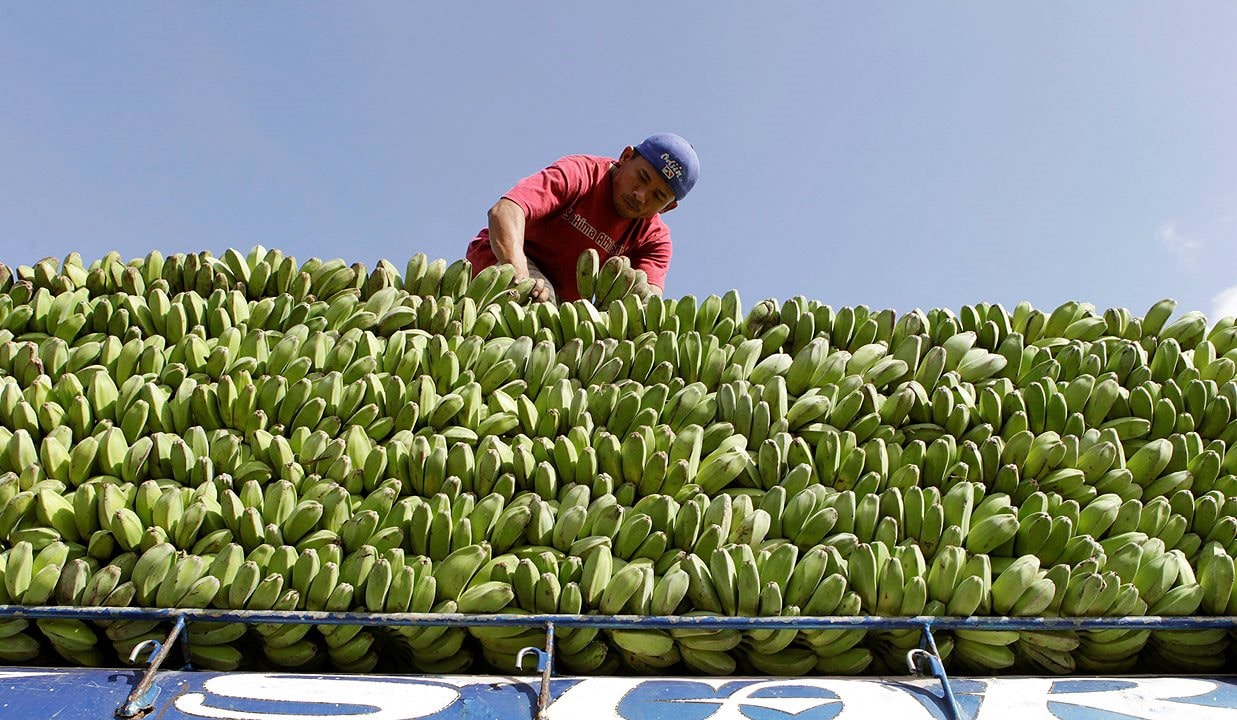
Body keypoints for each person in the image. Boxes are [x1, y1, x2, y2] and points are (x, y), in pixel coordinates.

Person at [465, 133, 699, 303]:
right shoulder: (581, 173)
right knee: (540, 303)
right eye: (642, 177)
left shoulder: (654, 240)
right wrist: (520, 273)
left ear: (668, 208)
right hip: (505, 260)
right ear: (626, 157)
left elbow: (647, 300)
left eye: (657, 196)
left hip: (567, 303)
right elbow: (506, 210)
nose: (640, 196)